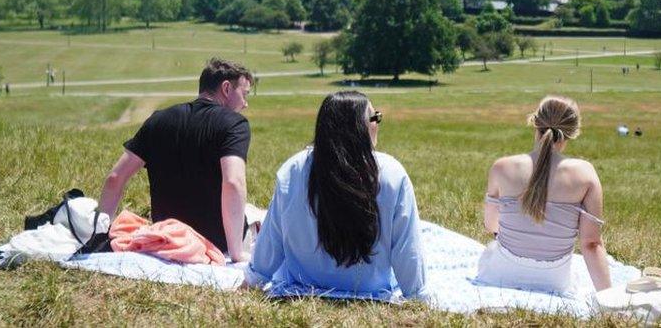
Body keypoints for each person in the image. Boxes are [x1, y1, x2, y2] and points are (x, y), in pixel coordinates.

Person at [246, 91, 426, 299]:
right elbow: (407, 250)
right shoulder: (392, 174)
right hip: (369, 287)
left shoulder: (293, 169)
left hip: (304, 283)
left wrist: (254, 279)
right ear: (359, 127)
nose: (377, 122)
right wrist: (417, 296)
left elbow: (271, 240)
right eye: (374, 117)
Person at [97, 58, 253, 262]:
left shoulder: (158, 120)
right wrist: (236, 254)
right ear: (226, 88)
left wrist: (100, 232)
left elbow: (115, 178)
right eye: (244, 94)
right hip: (216, 242)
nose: (245, 103)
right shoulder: (235, 124)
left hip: (166, 237)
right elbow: (233, 182)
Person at [476, 95, 611, 294]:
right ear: (572, 133)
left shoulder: (502, 167)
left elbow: (491, 225)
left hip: (500, 274)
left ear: (535, 123)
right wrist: (610, 299)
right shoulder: (585, 174)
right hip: (555, 280)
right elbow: (591, 245)